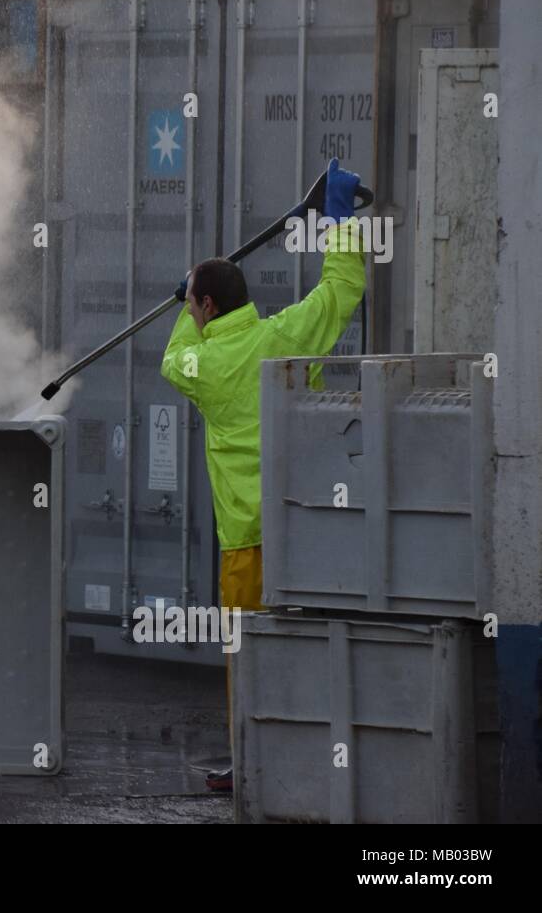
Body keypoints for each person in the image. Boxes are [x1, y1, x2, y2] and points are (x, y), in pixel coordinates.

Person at [160, 158, 367, 791]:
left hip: (245, 539)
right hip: (303, 526)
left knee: (247, 654)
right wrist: (340, 224)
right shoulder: (286, 334)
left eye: (195, 304)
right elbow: (341, 289)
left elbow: (174, 357)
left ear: (206, 306)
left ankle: (251, 763)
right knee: (308, 647)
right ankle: (317, 758)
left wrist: (180, 304)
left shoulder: (203, 363)